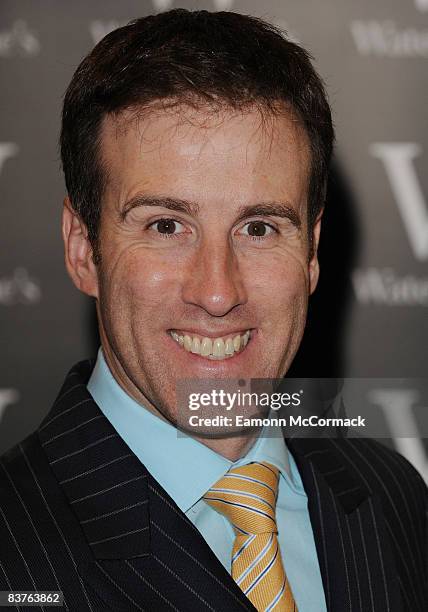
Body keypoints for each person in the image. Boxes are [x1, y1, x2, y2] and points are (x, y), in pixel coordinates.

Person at [0, 9, 426, 612]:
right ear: (82, 249)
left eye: (258, 227)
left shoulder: (394, 496)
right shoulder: (14, 548)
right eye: (167, 225)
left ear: (311, 252)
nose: (218, 291)